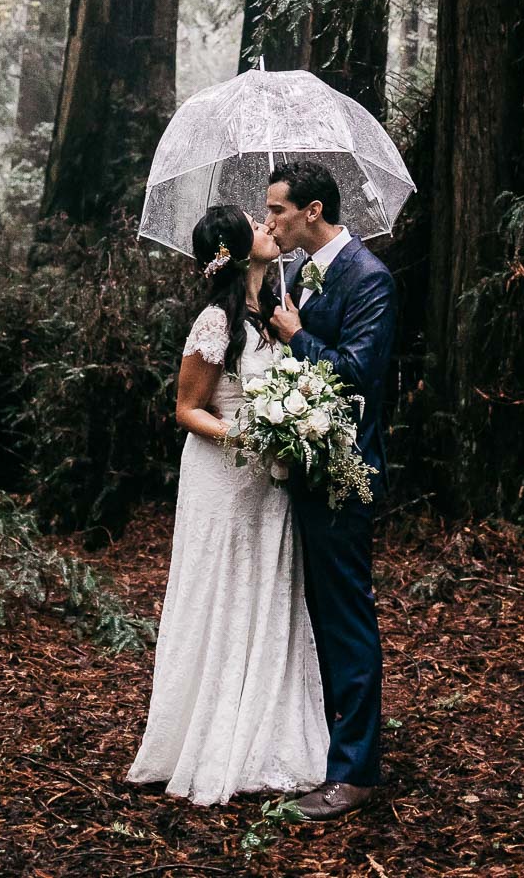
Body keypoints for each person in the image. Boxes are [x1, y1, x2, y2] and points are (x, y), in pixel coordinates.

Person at [126, 204, 328, 806]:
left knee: (267, 587)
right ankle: (208, 736)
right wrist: (250, 435)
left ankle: (267, 730)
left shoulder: (272, 313)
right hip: (223, 476)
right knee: (223, 587)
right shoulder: (215, 322)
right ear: (239, 250)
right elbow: (187, 409)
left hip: (269, 482)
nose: (269, 227)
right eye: (257, 225)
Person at [264, 158, 397, 822]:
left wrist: (297, 336)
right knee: (316, 618)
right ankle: (323, 744)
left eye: (277, 211)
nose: (270, 223)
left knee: (346, 621)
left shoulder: (369, 278)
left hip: (345, 476)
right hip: (307, 473)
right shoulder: (299, 275)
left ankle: (356, 773)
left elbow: (357, 373)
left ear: (312, 211)